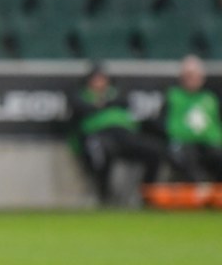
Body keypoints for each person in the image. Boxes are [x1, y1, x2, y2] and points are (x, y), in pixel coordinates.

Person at [69, 64, 171, 205]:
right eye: (95, 79)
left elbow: (126, 102)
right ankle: (105, 197)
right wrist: (103, 104)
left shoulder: (116, 93)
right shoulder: (83, 95)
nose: (99, 82)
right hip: (100, 135)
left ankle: (147, 196)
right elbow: (79, 108)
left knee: (155, 151)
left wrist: (103, 103)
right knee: (101, 153)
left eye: (102, 79)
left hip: (124, 134)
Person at [160, 55, 222, 181]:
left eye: (194, 75)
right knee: (188, 156)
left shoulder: (210, 98)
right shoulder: (173, 96)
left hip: (208, 144)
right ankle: (199, 191)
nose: (191, 79)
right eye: (188, 76)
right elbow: (164, 123)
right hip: (182, 144)